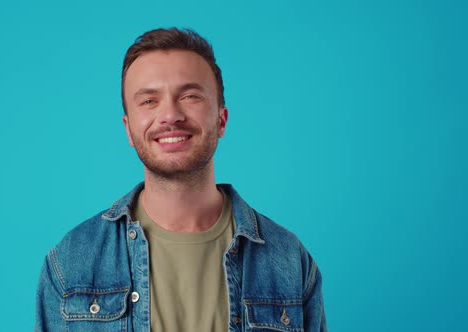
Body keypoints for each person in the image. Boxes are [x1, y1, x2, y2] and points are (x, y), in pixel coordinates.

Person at [35, 27, 327, 332]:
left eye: (189, 96)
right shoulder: (71, 262)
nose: (170, 115)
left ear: (221, 120)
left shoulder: (289, 259)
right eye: (149, 101)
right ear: (129, 129)